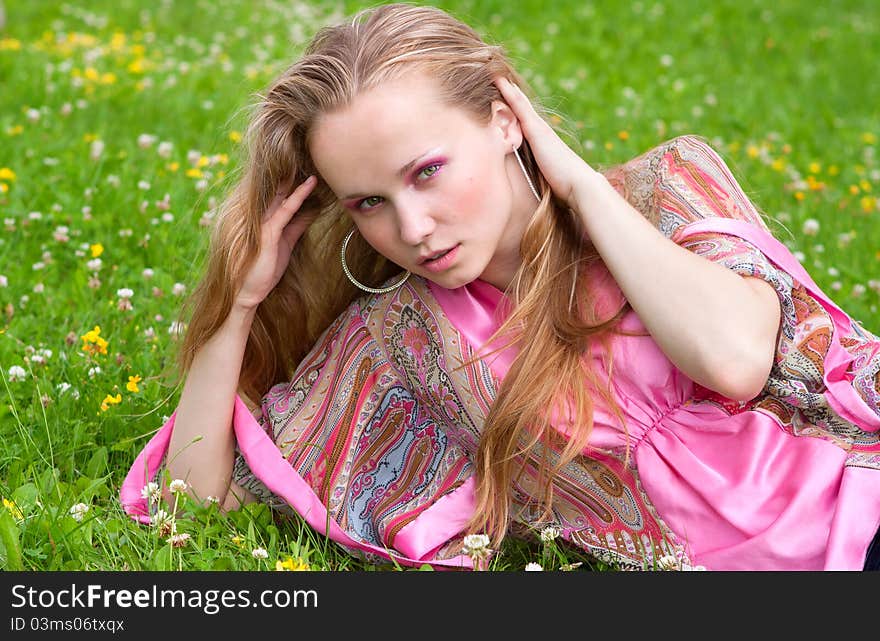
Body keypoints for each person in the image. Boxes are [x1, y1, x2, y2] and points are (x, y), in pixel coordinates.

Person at [120, 3, 880, 571]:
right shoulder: (406, 340)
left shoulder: (664, 190)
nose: (413, 227)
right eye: (369, 203)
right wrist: (239, 307)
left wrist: (580, 187)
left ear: (504, 118)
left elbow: (733, 359)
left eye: (427, 171)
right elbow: (191, 501)